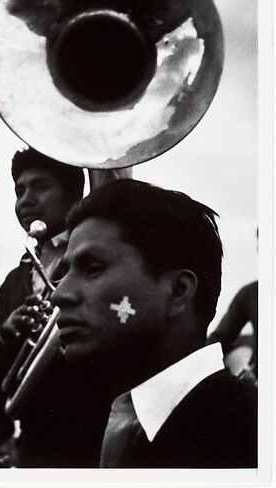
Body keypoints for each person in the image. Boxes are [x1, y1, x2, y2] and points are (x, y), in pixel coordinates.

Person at [52, 178, 257, 468]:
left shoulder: (246, 437)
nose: (58, 294)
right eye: (64, 272)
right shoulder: (111, 412)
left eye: (93, 268)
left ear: (178, 291)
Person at [0, 147, 111, 467]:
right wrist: (8, 333)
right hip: (37, 441)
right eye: (20, 190)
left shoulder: (95, 257)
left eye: (40, 187)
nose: (25, 199)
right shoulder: (13, 281)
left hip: (97, 433)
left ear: (74, 195)